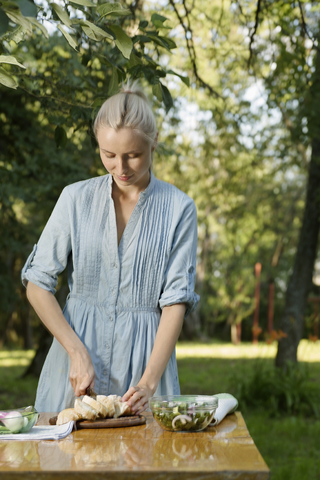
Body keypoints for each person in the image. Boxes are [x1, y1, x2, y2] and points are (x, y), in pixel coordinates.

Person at [21, 81, 199, 414]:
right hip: (73, 374)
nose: (121, 168)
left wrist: (148, 383)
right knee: (66, 462)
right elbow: (37, 285)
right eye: (109, 155)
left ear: (153, 143)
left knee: (142, 463)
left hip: (146, 373)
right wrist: (76, 351)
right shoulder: (75, 199)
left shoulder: (179, 208)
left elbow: (176, 301)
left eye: (133, 155)